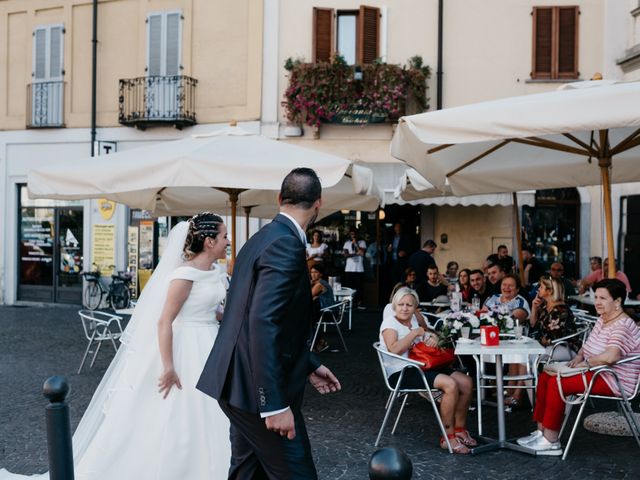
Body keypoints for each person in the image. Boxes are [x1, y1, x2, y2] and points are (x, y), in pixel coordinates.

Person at [1, 214, 233, 480]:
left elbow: (210, 310)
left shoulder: (214, 272)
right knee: (182, 411)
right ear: (209, 241)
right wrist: (169, 366)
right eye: (224, 236)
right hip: (185, 349)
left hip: (209, 343)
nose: (228, 241)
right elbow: (164, 322)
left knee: (213, 410)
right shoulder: (184, 275)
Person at [197, 168, 341, 479]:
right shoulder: (285, 244)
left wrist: (308, 363)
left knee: (248, 473)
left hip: (237, 385)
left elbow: (259, 318)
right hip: (254, 392)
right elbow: (263, 323)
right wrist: (273, 404)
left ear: (279, 198)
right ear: (319, 204)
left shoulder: (261, 238)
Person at [517, 279, 640, 455]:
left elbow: (612, 356)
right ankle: (541, 431)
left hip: (613, 379)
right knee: (546, 377)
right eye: (596, 297)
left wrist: (586, 363)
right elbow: (588, 345)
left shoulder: (622, 325)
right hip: (597, 371)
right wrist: (581, 356)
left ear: (618, 301)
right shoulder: (604, 318)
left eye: (603, 298)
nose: (597, 302)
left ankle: (551, 441)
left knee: (556, 383)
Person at [379, 287, 476, 454]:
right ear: (395, 305)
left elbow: (425, 336)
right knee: (450, 385)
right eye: (401, 304)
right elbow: (394, 349)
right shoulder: (390, 323)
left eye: (409, 305)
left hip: (420, 365)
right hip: (401, 372)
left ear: (414, 306)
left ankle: (459, 429)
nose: (404, 308)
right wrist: (415, 333)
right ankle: (448, 437)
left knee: (466, 382)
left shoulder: (413, 321)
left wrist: (433, 337)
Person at [504, 276, 577, 408]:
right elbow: (533, 324)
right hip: (548, 345)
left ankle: (531, 402)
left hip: (563, 347)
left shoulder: (560, 310)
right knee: (520, 357)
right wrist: (534, 308)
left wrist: (531, 343)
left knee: (525, 360)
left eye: (542, 287)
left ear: (549, 291)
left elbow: (552, 337)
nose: (538, 289)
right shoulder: (545, 306)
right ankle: (515, 394)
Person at [309, 263, 334, 353]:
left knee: (304, 320)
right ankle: (318, 342)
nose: (313, 274)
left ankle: (320, 342)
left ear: (321, 274)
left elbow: (307, 296)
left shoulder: (320, 284)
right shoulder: (318, 283)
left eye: (315, 272)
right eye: (311, 272)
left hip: (327, 312)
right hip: (323, 310)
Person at [343, 228, 367, 309]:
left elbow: (362, 253)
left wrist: (356, 244)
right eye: (351, 234)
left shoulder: (362, 242)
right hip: (349, 269)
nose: (353, 235)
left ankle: (359, 303)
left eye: (354, 234)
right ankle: (349, 303)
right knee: (349, 286)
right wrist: (356, 254)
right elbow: (345, 255)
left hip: (359, 268)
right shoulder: (347, 243)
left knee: (359, 286)